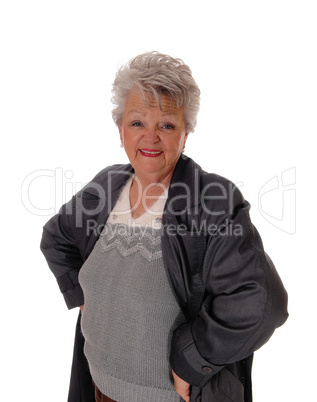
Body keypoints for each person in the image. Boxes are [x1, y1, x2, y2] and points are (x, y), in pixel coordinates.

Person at [40, 51, 288, 402]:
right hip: (97, 389)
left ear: (185, 133)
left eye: (167, 125)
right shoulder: (106, 186)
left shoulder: (213, 200)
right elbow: (56, 237)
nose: (150, 138)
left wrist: (192, 359)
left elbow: (262, 302)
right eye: (138, 123)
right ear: (121, 129)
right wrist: (80, 295)